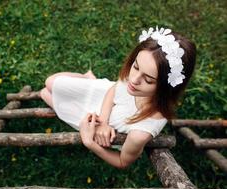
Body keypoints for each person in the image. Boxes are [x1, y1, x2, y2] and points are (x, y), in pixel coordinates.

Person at [40, 26, 196, 169]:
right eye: (135, 66)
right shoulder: (134, 82)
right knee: (50, 82)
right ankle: (87, 79)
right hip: (102, 101)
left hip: (91, 116)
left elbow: (122, 162)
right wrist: (103, 122)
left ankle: (88, 81)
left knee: (44, 94)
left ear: (166, 88)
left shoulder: (140, 133)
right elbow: (114, 89)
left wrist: (90, 143)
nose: (133, 80)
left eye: (148, 79)